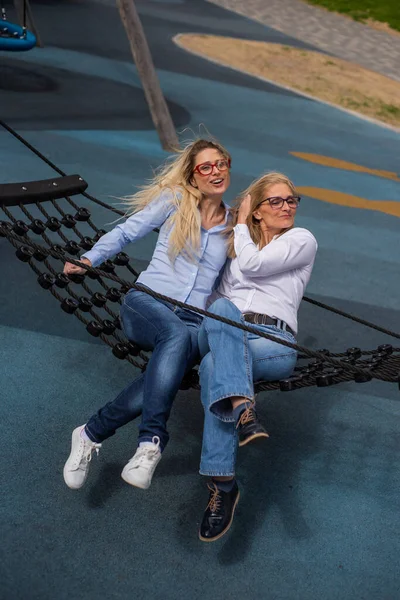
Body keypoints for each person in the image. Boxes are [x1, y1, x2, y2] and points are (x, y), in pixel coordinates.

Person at [62, 138, 232, 491]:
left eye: (222, 163)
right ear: (193, 176)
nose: (216, 171)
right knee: (176, 337)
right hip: (147, 303)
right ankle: (151, 441)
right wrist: (90, 258)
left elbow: (230, 284)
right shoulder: (175, 202)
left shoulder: (233, 226)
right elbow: (128, 231)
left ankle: (90, 432)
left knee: (166, 367)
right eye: (206, 166)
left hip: (193, 319)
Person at [196, 172, 318, 542]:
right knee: (223, 311)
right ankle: (245, 410)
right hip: (225, 329)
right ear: (259, 211)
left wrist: (242, 226)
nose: (287, 206)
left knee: (212, 366)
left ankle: (224, 483)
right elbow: (213, 296)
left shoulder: (301, 240)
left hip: (273, 340)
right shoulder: (236, 251)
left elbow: (255, 265)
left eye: (291, 199)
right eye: (276, 201)